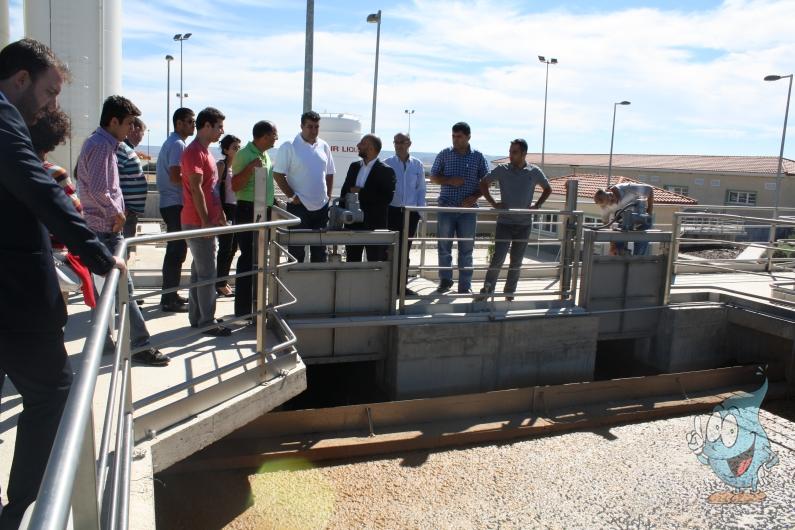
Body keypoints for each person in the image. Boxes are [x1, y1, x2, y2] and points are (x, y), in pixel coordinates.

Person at [0, 38, 124, 529]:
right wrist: (94, 251)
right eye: (50, 92)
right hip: (13, 296)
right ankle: (21, 510)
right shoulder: (4, 116)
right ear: (21, 79)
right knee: (53, 391)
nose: (52, 105)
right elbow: (35, 185)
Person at [76, 95, 169, 366]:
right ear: (113, 121)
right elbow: (97, 188)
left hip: (100, 229)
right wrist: (116, 213)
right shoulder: (103, 147)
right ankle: (140, 345)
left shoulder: (102, 144)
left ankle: (104, 342)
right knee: (123, 290)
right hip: (105, 229)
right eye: (128, 123)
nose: (131, 128)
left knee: (104, 291)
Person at [29, 108, 97, 308]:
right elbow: (76, 214)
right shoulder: (55, 174)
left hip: (18, 259)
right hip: (52, 259)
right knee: (55, 319)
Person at [475, 139, 551, 301]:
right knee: (498, 258)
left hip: (524, 224)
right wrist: (493, 203)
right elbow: (483, 183)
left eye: (514, 152)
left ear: (524, 154)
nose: (510, 155)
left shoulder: (534, 171)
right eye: (510, 151)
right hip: (505, 222)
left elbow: (547, 188)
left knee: (516, 261)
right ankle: (487, 290)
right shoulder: (502, 170)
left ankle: (509, 294)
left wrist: (537, 205)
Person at [180, 107, 231, 337]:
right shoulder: (194, 152)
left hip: (204, 221)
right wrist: (205, 222)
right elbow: (196, 188)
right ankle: (206, 322)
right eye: (219, 126)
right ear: (207, 126)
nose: (222, 131)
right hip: (197, 222)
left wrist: (218, 215)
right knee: (207, 273)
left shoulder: (205, 152)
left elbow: (212, 190)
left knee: (199, 271)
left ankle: (198, 317)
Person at [430, 121, 488, 294]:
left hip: (468, 211)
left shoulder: (478, 157)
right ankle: (445, 281)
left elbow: (486, 182)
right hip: (446, 208)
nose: (455, 139)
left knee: (466, 249)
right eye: (453, 136)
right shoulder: (444, 154)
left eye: (459, 136)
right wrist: (449, 180)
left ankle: (465, 286)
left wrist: (474, 197)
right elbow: (433, 177)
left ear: (468, 137)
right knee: (444, 246)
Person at [273, 110, 336, 263]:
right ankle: (294, 286)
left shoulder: (324, 146)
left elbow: (330, 173)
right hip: (299, 207)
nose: (313, 130)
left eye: (316, 127)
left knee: (320, 252)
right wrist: (292, 196)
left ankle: (318, 285)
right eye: (310, 126)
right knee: (296, 252)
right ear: (301, 126)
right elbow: (278, 174)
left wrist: (327, 196)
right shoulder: (289, 146)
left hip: (321, 208)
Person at [231, 121, 278, 319]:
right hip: (247, 210)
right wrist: (250, 168)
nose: (276, 138)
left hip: (263, 211)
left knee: (260, 260)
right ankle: (243, 310)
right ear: (264, 136)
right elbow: (234, 185)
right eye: (274, 134)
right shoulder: (244, 154)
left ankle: (257, 305)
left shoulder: (265, 154)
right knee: (248, 258)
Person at [156, 107, 195, 312]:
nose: (193, 125)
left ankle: (171, 293)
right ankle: (168, 299)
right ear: (179, 123)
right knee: (176, 251)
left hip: (171, 203)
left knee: (176, 251)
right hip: (174, 203)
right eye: (190, 122)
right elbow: (175, 176)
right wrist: (195, 184)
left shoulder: (174, 142)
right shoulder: (178, 144)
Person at [339, 134, 395, 262]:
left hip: (374, 227)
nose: (358, 146)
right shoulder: (354, 167)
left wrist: (359, 191)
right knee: (352, 263)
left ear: (371, 148)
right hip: (353, 225)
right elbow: (345, 192)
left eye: (362, 143)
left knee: (375, 264)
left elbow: (386, 198)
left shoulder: (386, 171)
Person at [384, 132, 426, 294]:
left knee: (405, 250)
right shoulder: (386, 163)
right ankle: (388, 285)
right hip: (392, 211)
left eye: (402, 142)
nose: (399, 145)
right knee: (390, 249)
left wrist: (420, 212)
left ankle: (401, 287)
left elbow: (421, 189)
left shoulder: (417, 165)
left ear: (409, 143)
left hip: (410, 214)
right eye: (396, 142)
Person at [594, 181, 655, 255]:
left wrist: (649, 212)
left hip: (642, 220)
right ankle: (621, 261)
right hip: (623, 222)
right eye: (610, 202)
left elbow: (650, 189)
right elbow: (607, 226)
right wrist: (613, 246)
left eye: (610, 195)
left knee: (640, 248)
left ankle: (637, 262)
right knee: (618, 249)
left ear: (608, 190)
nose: (612, 198)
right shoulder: (604, 208)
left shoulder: (628, 188)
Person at [215, 134, 241, 298]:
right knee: (225, 247)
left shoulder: (238, 166)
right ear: (226, 150)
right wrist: (219, 210)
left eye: (239, 148)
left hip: (237, 208)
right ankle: (220, 283)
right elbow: (215, 189)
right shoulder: (221, 165)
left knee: (233, 247)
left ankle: (222, 281)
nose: (237, 151)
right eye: (234, 148)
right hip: (225, 208)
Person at [118, 117, 147, 245]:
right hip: (125, 212)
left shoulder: (127, 149)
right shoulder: (122, 149)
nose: (142, 137)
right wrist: (121, 208)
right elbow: (114, 178)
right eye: (143, 133)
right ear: (136, 130)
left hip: (128, 212)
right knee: (122, 250)